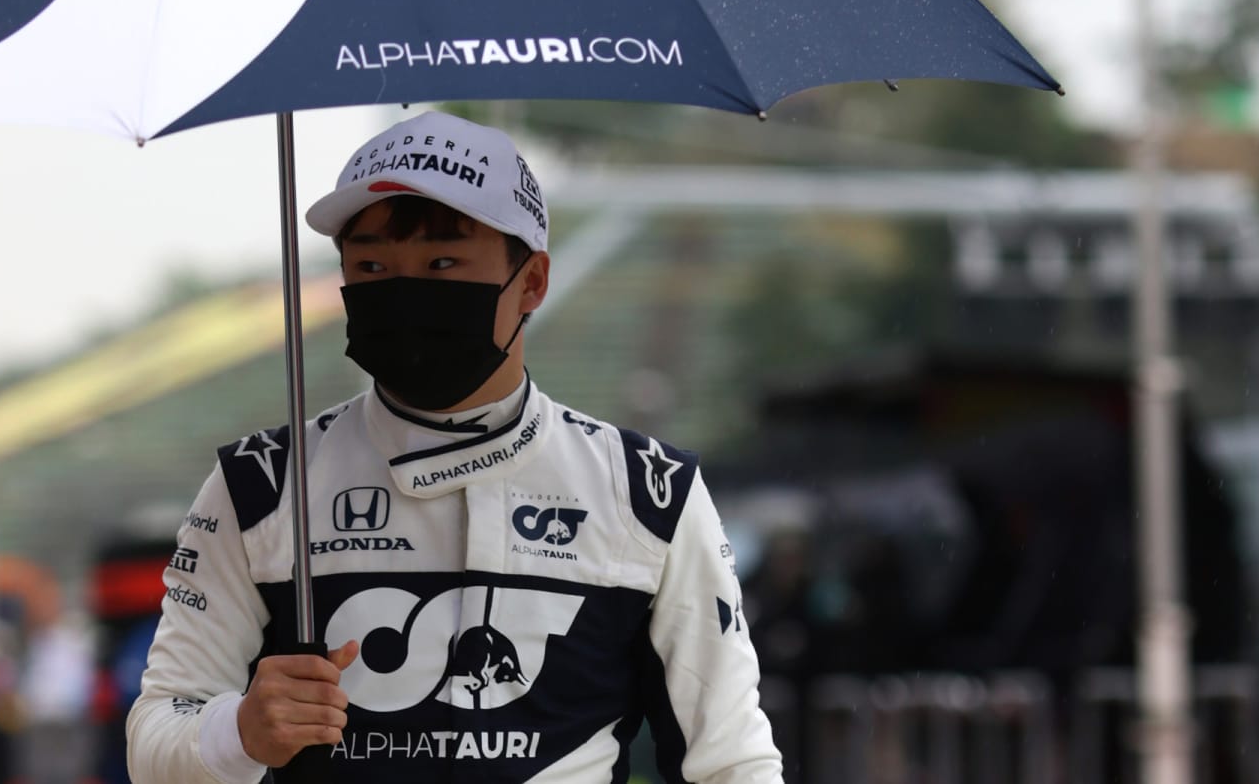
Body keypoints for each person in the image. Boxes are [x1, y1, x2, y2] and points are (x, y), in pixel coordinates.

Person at [126, 111, 784, 783]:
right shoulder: (260, 486)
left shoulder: (647, 491)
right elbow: (155, 738)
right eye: (374, 266)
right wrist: (237, 734)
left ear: (532, 281)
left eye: (442, 263)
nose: (406, 294)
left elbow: (731, 762)